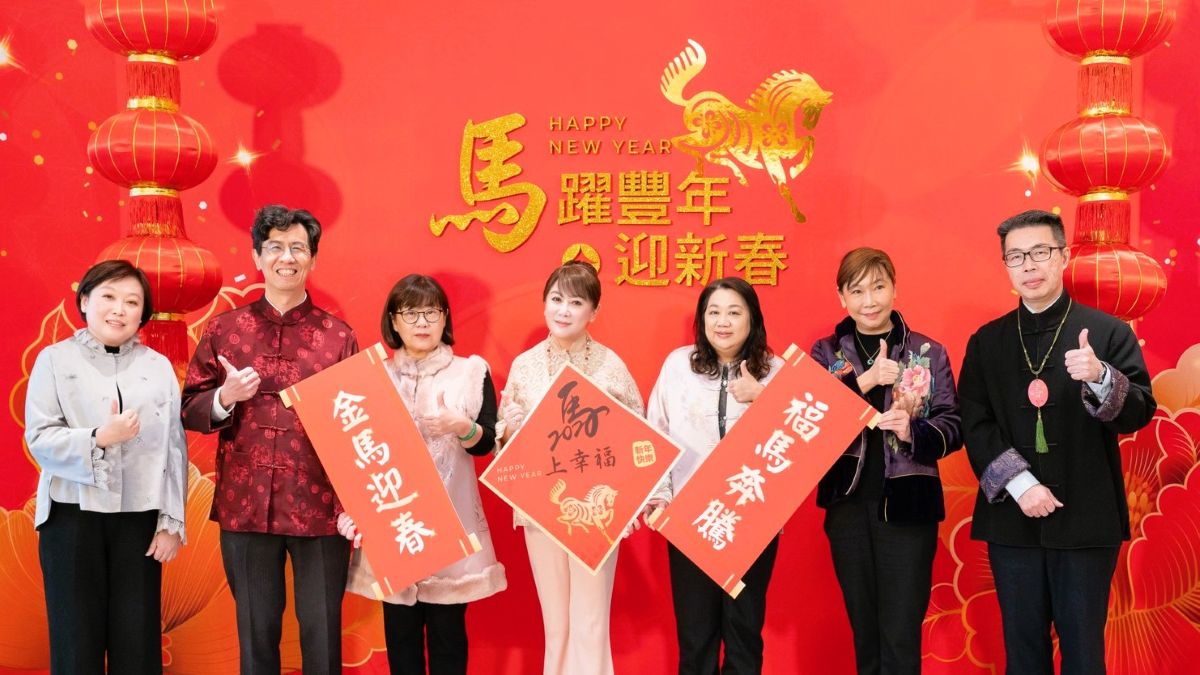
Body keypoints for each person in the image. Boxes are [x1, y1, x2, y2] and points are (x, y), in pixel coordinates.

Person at [960, 209, 1155, 674]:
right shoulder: (987, 342)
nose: (1028, 265)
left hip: (1087, 519)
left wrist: (1101, 376)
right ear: (1006, 266)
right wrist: (1021, 484)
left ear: (1063, 256)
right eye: (1016, 257)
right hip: (1013, 521)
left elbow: (1140, 412)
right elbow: (975, 422)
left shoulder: (1107, 332)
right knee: (1023, 652)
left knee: (1084, 654)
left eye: (1040, 252)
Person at [181, 205, 358, 675]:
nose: (287, 257)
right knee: (255, 633)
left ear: (312, 258)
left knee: (323, 633)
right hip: (245, 503)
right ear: (257, 257)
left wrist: (354, 505)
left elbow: (356, 426)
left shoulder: (338, 337)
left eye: (298, 248)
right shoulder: (224, 330)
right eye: (275, 247)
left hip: (320, 507)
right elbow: (189, 407)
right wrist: (224, 397)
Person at [337, 274, 506, 675]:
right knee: (401, 640)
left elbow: (486, 443)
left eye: (431, 312)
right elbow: (352, 450)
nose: (422, 322)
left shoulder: (470, 372)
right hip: (393, 524)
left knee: (448, 640)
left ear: (445, 318)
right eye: (411, 313)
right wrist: (351, 507)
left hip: (451, 524)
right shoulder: (371, 378)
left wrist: (462, 427)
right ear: (393, 322)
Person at [26, 259, 187, 674]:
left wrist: (171, 521)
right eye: (109, 297)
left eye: (132, 302)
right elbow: (40, 438)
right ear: (85, 300)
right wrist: (98, 437)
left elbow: (173, 448)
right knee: (75, 642)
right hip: (71, 516)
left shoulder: (158, 367)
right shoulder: (54, 360)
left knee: (138, 641)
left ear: (143, 313)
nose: (119, 310)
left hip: (140, 520)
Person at [810, 248, 963, 675]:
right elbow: (811, 423)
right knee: (865, 630)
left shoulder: (928, 351)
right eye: (857, 291)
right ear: (841, 297)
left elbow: (954, 425)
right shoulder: (825, 353)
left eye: (878, 287)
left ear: (894, 289)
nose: (869, 301)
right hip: (847, 506)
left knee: (900, 633)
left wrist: (913, 432)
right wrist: (866, 380)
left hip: (909, 508)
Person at [496, 260, 645, 675]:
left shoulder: (610, 366)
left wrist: (630, 503)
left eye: (576, 303)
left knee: (590, 620)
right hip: (539, 508)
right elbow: (505, 447)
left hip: (598, 512)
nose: (564, 310)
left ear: (594, 311)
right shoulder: (525, 365)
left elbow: (640, 439)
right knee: (556, 621)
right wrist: (509, 429)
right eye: (556, 299)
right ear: (544, 303)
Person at [646, 276, 784, 675]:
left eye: (734, 312)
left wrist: (762, 397)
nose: (723, 322)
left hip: (753, 519)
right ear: (702, 319)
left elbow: (802, 436)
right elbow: (654, 434)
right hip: (690, 519)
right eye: (714, 312)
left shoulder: (775, 371)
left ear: (752, 319)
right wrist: (660, 496)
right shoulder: (678, 366)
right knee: (696, 637)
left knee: (744, 635)